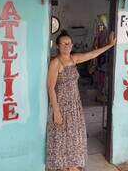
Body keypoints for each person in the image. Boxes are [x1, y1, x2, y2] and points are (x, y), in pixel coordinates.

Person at [46, 29, 117, 171]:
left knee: (74, 137)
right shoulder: (56, 63)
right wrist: (56, 111)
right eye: (64, 43)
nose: (67, 46)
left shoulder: (74, 59)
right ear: (58, 46)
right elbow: (50, 88)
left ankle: (72, 165)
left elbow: (92, 54)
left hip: (75, 105)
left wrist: (110, 45)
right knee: (61, 136)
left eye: (69, 43)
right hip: (61, 105)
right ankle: (62, 166)